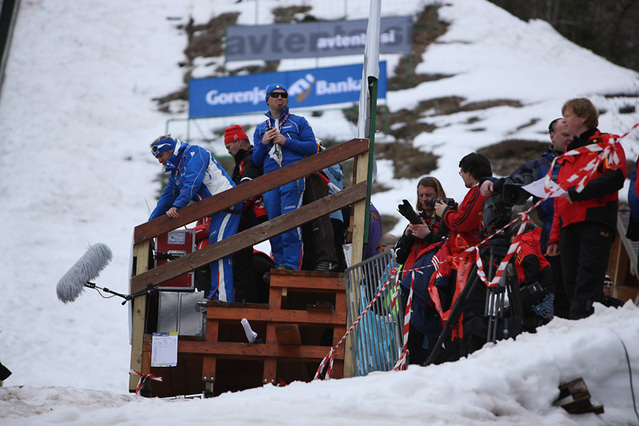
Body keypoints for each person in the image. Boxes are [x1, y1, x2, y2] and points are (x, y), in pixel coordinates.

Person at [481, 118, 573, 318]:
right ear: (552, 136)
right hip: (552, 239)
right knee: (562, 298)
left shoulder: (587, 159)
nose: (570, 139)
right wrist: (491, 182)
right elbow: (514, 184)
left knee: (583, 293)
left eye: (573, 134)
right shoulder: (541, 167)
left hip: (584, 231)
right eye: (565, 135)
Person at [546, 97, 627, 320]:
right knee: (569, 281)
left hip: (595, 217)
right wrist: (554, 237)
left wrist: (577, 192)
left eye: (567, 116)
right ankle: (577, 325)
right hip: (568, 225)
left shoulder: (607, 142)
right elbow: (559, 199)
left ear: (582, 117)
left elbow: (616, 176)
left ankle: (585, 326)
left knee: (589, 278)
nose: (564, 121)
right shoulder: (568, 155)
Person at [149, 135, 240, 302]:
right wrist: (149, 227)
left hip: (228, 204)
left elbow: (192, 182)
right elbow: (165, 200)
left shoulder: (194, 152)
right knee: (214, 252)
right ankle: (217, 295)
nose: (160, 161)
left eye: (160, 156)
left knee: (219, 252)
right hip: (216, 210)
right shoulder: (176, 172)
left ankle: (223, 299)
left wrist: (177, 206)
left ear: (170, 150)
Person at [253, 83, 320, 271]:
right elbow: (257, 160)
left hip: (293, 176)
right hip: (270, 181)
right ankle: (280, 264)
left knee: (289, 221)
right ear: (267, 100)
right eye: (275, 95)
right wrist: (264, 143)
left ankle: (290, 265)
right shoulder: (260, 128)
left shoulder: (299, 122)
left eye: (283, 95)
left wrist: (286, 141)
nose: (280, 97)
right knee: (274, 225)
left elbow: (312, 148)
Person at [434, 152, 492, 358]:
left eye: (461, 173)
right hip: (469, 260)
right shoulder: (481, 190)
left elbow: (462, 223)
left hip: (472, 262)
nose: (462, 177)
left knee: (469, 308)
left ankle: (468, 349)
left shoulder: (480, 190)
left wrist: (446, 213)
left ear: (469, 172)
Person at [224, 124, 268, 302]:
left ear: (239, 141)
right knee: (240, 260)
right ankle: (243, 299)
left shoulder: (250, 158)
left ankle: (244, 301)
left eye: (228, 147)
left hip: (255, 214)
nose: (228, 152)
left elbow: (247, 189)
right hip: (249, 215)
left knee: (241, 261)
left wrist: (229, 207)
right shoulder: (244, 160)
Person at [512, 224, 554, 332]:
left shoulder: (523, 240)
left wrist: (527, 288)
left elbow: (530, 260)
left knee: (548, 326)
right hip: (553, 283)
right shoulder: (542, 237)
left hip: (541, 291)